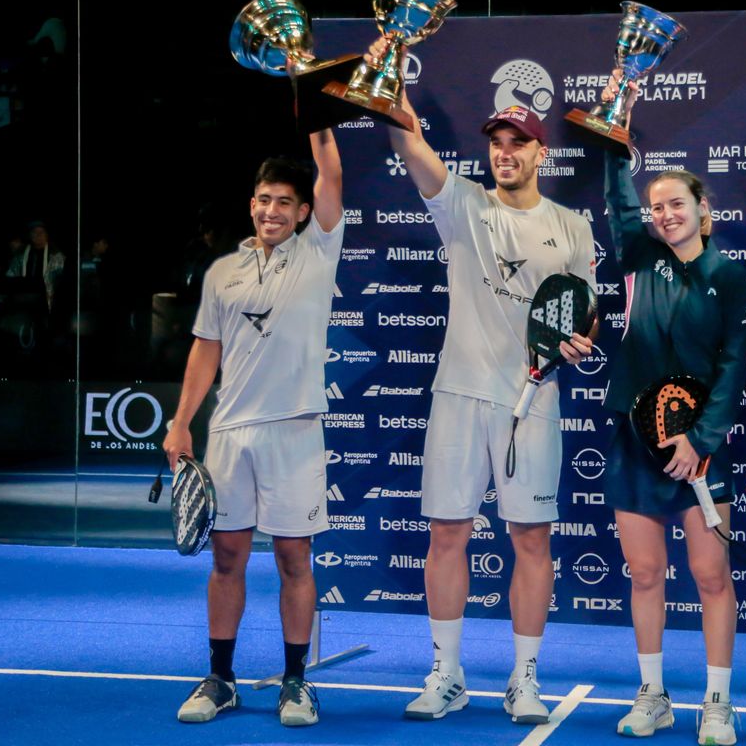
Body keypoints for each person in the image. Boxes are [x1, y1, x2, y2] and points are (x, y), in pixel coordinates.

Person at [365, 36, 596, 725]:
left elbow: (576, 315)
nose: (506, 152)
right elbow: (410, 144)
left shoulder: (573, 227)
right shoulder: (462, 204)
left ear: (540, 153)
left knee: (531, 541)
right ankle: (447, 672)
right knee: (447, 534)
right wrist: (389, 85)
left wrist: (577, 346)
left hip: (534, 403)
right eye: (497, 142)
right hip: (459, 395)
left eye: (518, 143)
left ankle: (524, 678)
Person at [163, 129, 345, 728]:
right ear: (252, 203)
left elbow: (331, 175)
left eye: (285, 202)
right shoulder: (222, 273)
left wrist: (312, 107)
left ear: (301, 212)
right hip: (230, 435)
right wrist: (182, 422)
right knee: (228, 558)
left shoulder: (319, 251)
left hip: (294, 433)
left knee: (295, 558)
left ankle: (295, 682)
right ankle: (221, 677)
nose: (272, 211)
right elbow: (204, 352)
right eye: (264, 199)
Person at [600, 73, 746, 745]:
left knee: (711, 574)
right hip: (636, 442)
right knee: (643, 572)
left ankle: (716, 703)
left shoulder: (728, 277)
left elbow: (734, 366)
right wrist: (618, 124)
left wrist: (702, 436)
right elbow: (615, 195)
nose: (662, 214)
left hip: (701, 451)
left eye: (675, 204)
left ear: (702, 210)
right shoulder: (637, 255)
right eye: (655, 205)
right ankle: (653, 693)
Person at [6, 220, 66, 310]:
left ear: (46, 235)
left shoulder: (56, 255)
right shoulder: (20, 255)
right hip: (23, 299)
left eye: (41, 232)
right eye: (34, 232)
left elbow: (61, 280)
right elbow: (10, 275)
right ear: (30, 235)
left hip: (48, 300)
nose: (38, 235)